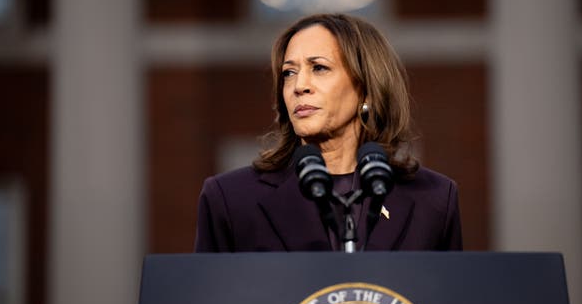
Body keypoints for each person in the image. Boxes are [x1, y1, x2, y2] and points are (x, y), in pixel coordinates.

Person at [194, 13, 462, 252]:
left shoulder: (434, 199)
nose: (299, 86)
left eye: (319, 68)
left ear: (366, 87)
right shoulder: (230, 199)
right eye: (289, 73)